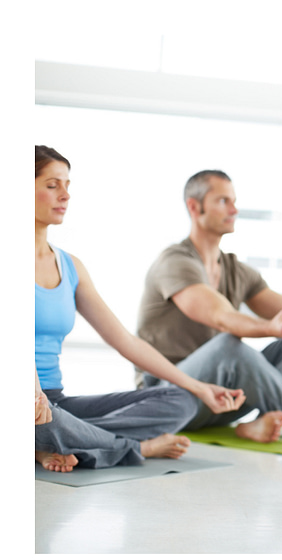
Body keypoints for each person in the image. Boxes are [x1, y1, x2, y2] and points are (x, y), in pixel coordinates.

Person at [35, 146, 245, 472]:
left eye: (67, 185)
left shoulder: (70, 266)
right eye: (52, 185)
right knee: (36, 415)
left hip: (54, 403)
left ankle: (56, 442)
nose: (65, 195)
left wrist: (198, 387)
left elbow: (126, 342)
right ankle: (135, 447)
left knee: (180, 400)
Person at [137, 170, 282, 441]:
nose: (234, 209)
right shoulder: (175, 262)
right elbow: (222, 318)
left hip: (222, 400)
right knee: (229, 345)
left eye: (234, 201)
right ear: (194, 207)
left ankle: (264, 420)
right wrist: (271, 327)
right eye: (223, 201)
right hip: (167, 396)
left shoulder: (237, 270)